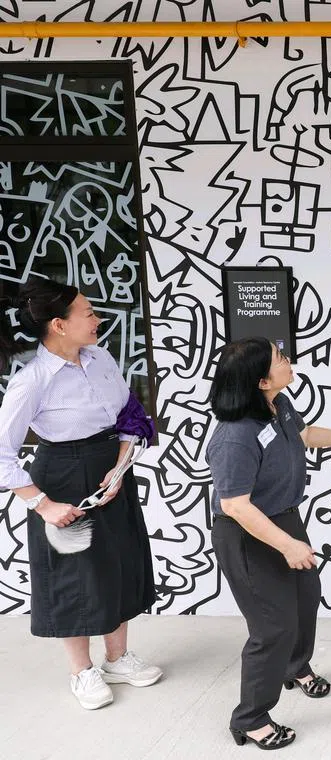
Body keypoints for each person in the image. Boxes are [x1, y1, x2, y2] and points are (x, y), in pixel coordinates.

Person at [206, 337, 331, 750]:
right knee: (273, 626)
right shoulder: (234, 436)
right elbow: (234, 506)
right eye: (281, 359)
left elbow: (303, 435)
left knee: (306, 596)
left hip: (282, 519)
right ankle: (250, 717)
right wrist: (287, 545)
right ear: (262, 380)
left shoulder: (277, 405)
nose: (289, 361)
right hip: (247, 535)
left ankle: (296, 666)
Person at [0, 279, 161, 709]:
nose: (97, 319)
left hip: (110, 467)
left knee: (121, 561)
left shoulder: (102, 357)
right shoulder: (31, 381)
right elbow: (1, 452)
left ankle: (117, 658)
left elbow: (130, 413)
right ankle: (82, 672)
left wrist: (121, 466)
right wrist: (42, 503)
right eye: (88, 313)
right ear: (59, 325)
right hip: (62, 476)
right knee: (74, 576)